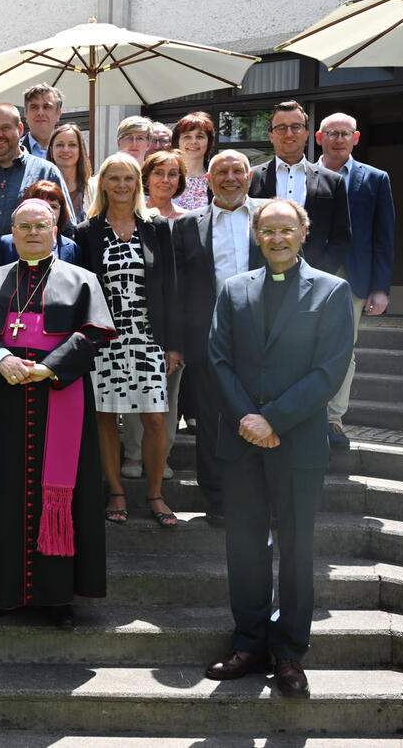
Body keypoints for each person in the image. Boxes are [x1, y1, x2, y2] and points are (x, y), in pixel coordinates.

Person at [204, 198, 354, 698]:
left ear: (303, 233)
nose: (277, 238)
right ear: (256, 235)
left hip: (297, 441)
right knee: (244, 548)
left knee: (295, 550)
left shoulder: (332, 292)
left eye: (287, 230)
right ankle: (249, 643)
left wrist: (272, 418)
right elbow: (219, 359)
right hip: (241, 440)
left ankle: (290, 652)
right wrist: (249, 417)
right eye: (268, 231)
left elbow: (328, 370)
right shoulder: (233, 289)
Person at [0, 198, 114, 624]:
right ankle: (2, 592)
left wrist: (48, 367)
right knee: (1, 494)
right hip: (1, 400)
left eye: (40, 225)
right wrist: (1, 360)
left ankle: (56, 597)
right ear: (12, 231)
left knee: (60, 496)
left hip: (58, 395)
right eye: (23, 226)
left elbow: (94, 333)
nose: (31, 233)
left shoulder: (81, 280)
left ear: (55, 230)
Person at [73, 154, 179, 528]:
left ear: (138, 184)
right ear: (102, 183)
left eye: (128, 179)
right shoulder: (86, 232)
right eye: (113, 178)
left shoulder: (156, 227)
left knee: (154, 418)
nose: (121, 185)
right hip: (105, 339)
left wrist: (173, 343)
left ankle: (154, 493)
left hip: (148, 334)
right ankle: (116, 490)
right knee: (105, 417)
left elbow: (170, 287)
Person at [172, 150, 265, 525]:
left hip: (264, 336)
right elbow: (178, 289)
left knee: (261, 414)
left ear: (249, 176)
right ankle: (218, 500)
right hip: (208, 337)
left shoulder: (271, 216)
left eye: (236, 171)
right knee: (211, 421)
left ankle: (261, 497)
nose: (229, 178)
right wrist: (177, 343)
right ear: (208, 180)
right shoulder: (187, 225)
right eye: (221, 172)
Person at [316, 112, 396, 450]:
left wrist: (380, 287)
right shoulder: (303, 175)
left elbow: (384, 235)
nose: (338, 139)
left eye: (344, 133)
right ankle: (302, 412)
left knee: (343, 349)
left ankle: (333, 418)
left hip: (353, 278)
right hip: (309, 274)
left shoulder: (376, 179)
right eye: (331, 133)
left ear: (356, 138)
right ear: (319, 138)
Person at [248, 100, 351, 276]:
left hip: (314, 281)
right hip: (261, 279)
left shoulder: (333, 182)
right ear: (271, 135)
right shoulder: (251, 179)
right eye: (281, 128)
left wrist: (318, 274)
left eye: (296, 126)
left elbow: (341, 238)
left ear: (306, 133)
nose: (289, 133)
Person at [0, 103, 70, 255]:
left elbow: (66, 229)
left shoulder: (47, 172)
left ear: (20, 129)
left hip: (32, 275)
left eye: (5, 128)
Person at [0, 181, 82, 267]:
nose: (47, 210)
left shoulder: (71, 248)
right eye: (40, 204)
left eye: (53, 206)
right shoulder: (5, 244)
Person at [46, 124, 93, 224]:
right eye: (60, 145)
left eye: (72, 145)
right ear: (51, 151)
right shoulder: (42, 189)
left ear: (81, 150)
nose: (65, 150)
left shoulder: (95, 189)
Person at [171, 112, 215, 211]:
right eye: (187, 136)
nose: (194, 141)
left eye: (200, 137)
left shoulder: (216, 179)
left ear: (209, 142)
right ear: (177, 141)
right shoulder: (166, 176)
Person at [142, 150, 188, 220]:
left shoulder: (187, 219)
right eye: (158, 173)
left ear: (179, 182)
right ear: (146, 179)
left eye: (172, 174)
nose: (165, 180)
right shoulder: (133, 216)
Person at [21, 84, 64, 159]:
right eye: (34, 107)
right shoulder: (13, 152)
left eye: (46, 107)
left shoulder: (69, 152)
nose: (40, 113)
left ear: (58, 114)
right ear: (26, 114)